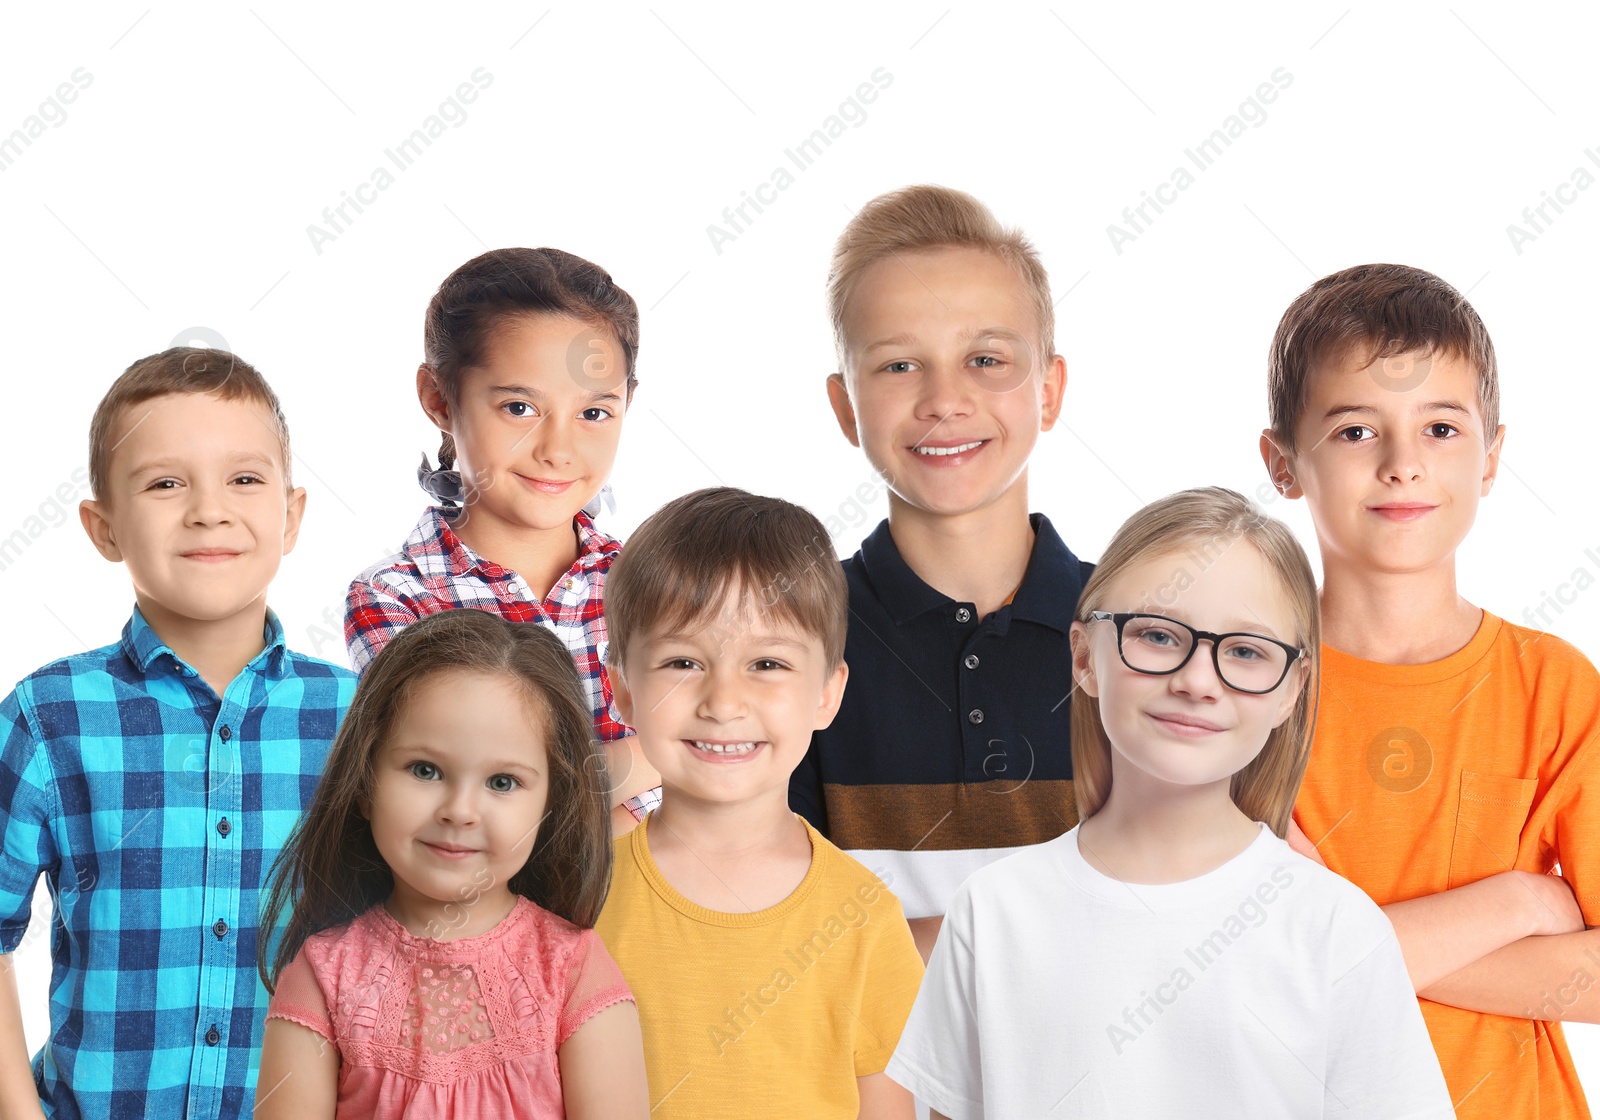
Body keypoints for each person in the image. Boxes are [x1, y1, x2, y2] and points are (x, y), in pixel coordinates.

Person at [888, 487, 1453, 1118]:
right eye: (1157, 635)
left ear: (1292, 690)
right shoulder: (992, 914)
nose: (1196, 681)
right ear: (1083, 657)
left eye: (1245, 650)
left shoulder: (1334, 929)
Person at [1261, 263, 1600, 1118]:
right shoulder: (1242, 691)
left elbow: (1319, 967)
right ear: (1282, 462)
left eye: (1442, 428)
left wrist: (1357, 955)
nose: (1404, 465)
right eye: (1354, 432)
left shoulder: (1553, 688)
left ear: (1492, 456)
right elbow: (1260, 975)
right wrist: (1517, 902)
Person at [0, 348, 358, 1120]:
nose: (208, 510)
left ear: (292, 516)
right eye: (165, 483)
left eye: (244, 479)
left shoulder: (359, 717)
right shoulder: (47, 714)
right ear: (103, 527)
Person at [790, 185, 1093, 960]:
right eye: (898, 365)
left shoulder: (1142, 638)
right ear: (845, 406)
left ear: (1049, 390)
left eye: (985, 359)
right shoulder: (789, 640)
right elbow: (771, 942)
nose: (944, 400)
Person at [596, 487, 924, 1119]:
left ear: (827, 694)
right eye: (682, 661)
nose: (723, 701)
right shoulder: (581, 896)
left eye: (767, 663)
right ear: (625, 691)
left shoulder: (865, 918)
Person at [255, 608, 648, 1120]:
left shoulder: (572, 972)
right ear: (366, 781)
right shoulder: (322, 976)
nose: (460, 811)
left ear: (551, 804)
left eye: (503, 782)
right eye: (425, 769)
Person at [345, 247, 660, 833]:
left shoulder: (657, 581)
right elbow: (474, 796)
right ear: (439, 398)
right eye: (520, 407)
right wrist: (652, 764)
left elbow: (724, 754)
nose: (558, 449)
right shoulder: (397, 599)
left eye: (594, 413)